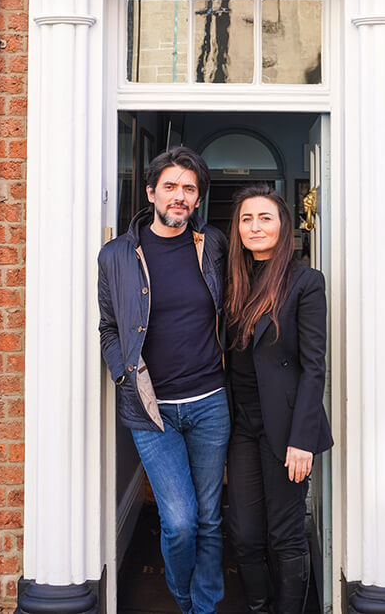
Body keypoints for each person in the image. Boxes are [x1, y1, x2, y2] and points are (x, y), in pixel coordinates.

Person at [98, 147, 230, 614]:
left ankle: (205, 607)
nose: (180, 196)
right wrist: (121, 374)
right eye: (170, 186)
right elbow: (109, 327)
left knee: (211, 518)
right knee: (180, 522)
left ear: (197, 200)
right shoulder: (117, 255)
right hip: (152, 411)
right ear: (152, 192)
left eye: (189, 189)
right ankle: (183, 598)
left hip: (211, 402)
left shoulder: (210, 244)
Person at [225, 184, 333, 614]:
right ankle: (258, 606)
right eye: (247, 219)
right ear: (237, 228)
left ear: (283, 225)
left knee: (285, 532)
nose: (255, 227)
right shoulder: (229, 278)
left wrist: (303, 438)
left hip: (287, 426)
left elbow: (314, 366)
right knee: (245, 533)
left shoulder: (305, 282)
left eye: (265, 218)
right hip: (241, 425)